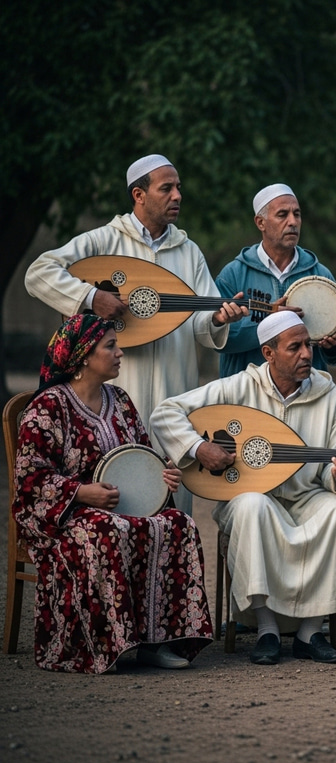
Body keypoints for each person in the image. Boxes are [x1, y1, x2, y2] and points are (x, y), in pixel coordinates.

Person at [25, 154, 247, 512]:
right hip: (117, 388)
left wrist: (219, 319)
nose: (177, 196)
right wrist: (91, 297)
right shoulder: (104, 240)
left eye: (179, 188)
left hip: (175, 386)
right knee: (120, 493)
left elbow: (201, 325)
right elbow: (38, 273)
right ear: (138, 195)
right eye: (166, 188)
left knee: (171, 499)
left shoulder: (188, 252)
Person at [149, 311, 336, 666]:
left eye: (308, 345)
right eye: (295, 347)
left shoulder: (329, 395)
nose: (307, 354)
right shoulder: (239, 387)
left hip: (306, 497)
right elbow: (165, 413)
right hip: (250, 496)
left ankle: (310, 632)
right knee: (253, 504)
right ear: (268, 353)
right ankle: (267, 630)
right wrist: (198, 448)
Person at [12, 314, 213, 674]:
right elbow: (30, 479)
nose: (120, 352)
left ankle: (157, 642)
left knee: (178, 523)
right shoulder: (47, 408)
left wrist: (162, 474)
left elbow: (142, 456)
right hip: (65, 514)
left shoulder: (119, 400)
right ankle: (105, 645)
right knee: (105, 530)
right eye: (110, 346)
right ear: (84, 356)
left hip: (121, 508)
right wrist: (81, 492)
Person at [214, 183, 336, 377]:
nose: (293, 222)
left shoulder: (320, 275)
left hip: (306, 390)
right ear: (260, 222)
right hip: (247, 391)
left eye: (297, 214)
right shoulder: (233, 275)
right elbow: (218, 339)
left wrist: (334, 346)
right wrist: (271, 324)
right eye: (282, 215)